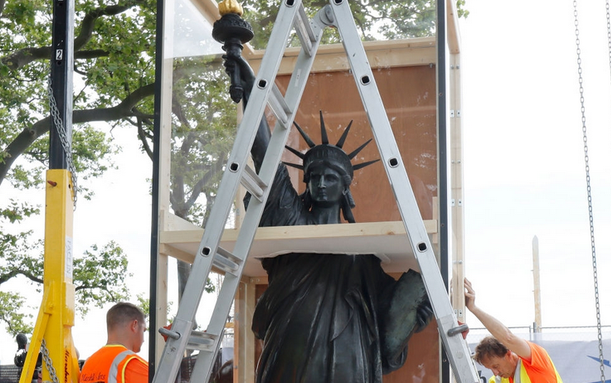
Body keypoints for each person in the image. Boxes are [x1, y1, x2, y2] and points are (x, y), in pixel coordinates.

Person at [222, 53, 434, 383]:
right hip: (289, 349)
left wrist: (430, 300)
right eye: (314, 176)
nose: (321, 183)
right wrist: (252, 87)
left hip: (349, 356)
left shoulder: (360, 255)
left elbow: (391, 321)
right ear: (305, 182)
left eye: (331, 177)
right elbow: (265, 154)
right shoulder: (291, 221)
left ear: (344, 186)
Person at [466, 278, 564, 383]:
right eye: (490, 369)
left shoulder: (536, 362)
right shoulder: (498, 380)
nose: (495, 372)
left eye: (495, 366)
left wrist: (473, 308)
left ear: (508, 354)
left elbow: (508, 338)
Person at [80, 302, 149, 383]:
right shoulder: (132, 363)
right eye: (143, 330)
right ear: (134, 325)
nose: (143, 340)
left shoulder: (87, 364)